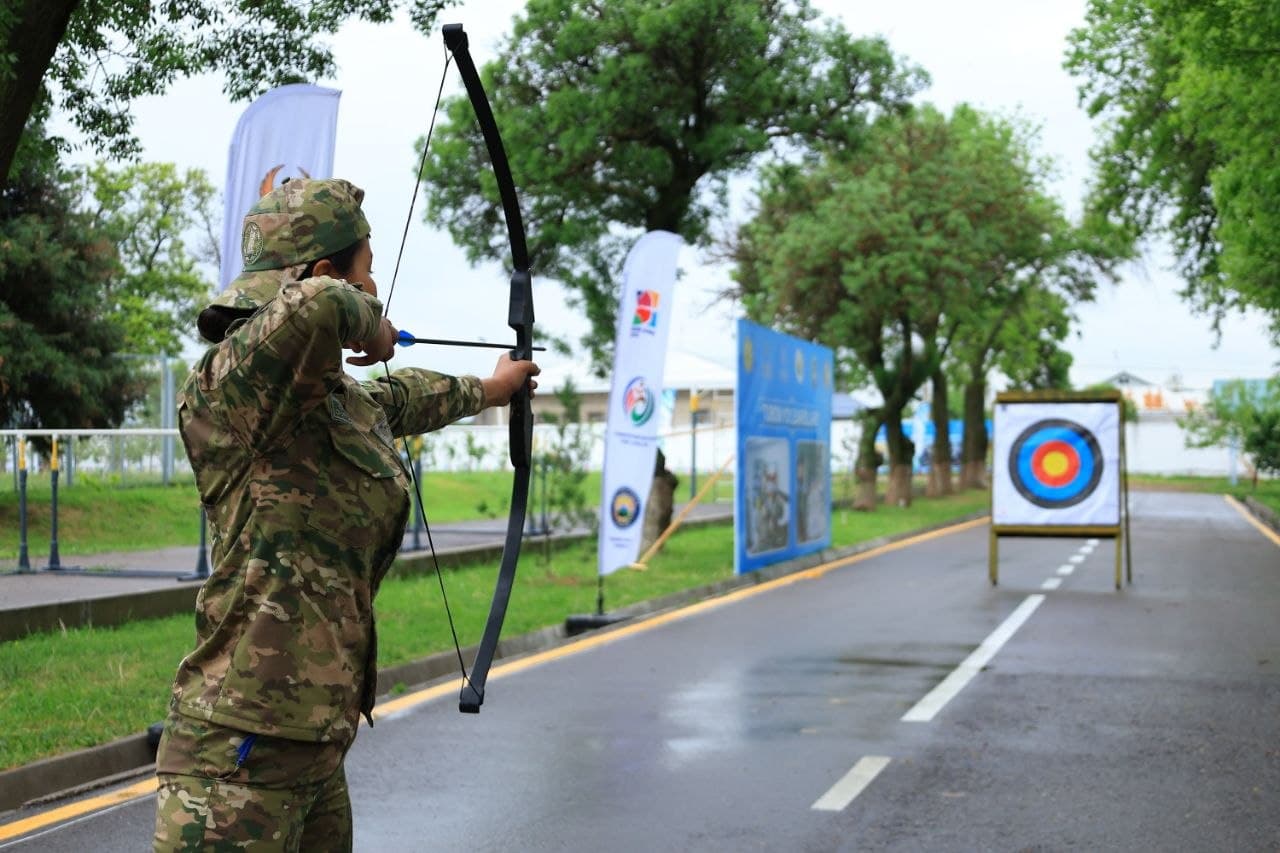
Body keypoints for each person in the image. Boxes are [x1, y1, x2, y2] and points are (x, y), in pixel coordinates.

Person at [152, 178, 539, 851]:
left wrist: (493, 387)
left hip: (315, 747)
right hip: (236, 759)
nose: (375, 285)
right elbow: (321, 304)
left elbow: (401, 398)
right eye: (368, 269)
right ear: (330, 271)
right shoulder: (228, 386)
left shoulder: (330, 401)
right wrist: (370, 322)